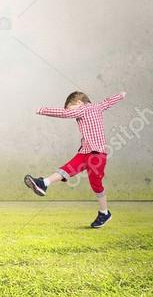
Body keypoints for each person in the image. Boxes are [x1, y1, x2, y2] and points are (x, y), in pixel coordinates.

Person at [24, 90, 126, 228]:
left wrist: (41, 110)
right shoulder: (97, 107)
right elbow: (108, 102)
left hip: (97, 154)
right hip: (85, 152)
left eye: (71, 108)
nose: (71, 113)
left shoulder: (83, 109)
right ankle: (44, 183)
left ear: (79, 103)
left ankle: (104, 212)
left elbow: (64, 113)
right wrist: (120, 95)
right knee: (67, 169)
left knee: (96, 184)